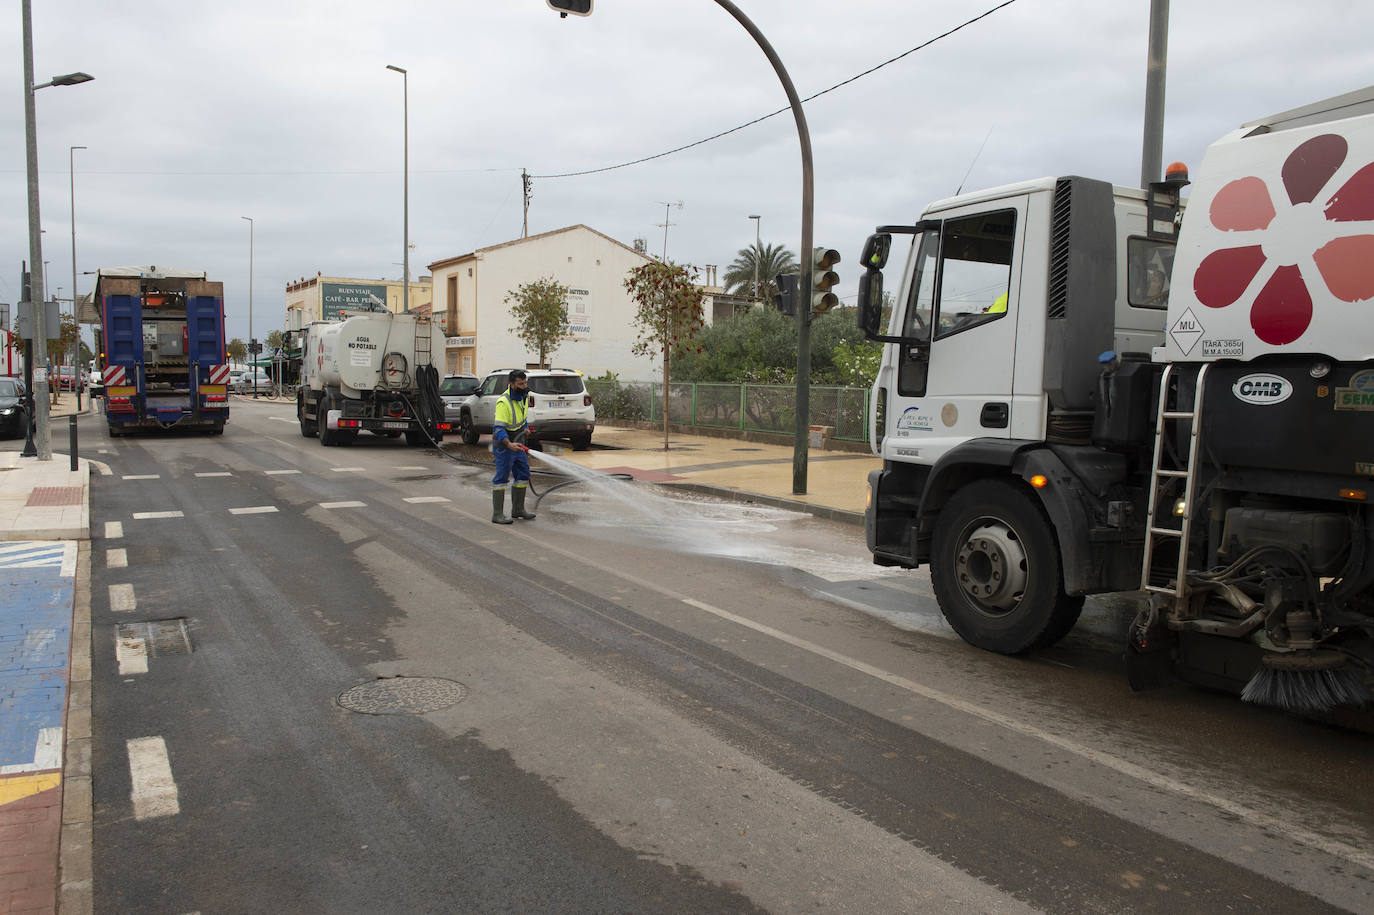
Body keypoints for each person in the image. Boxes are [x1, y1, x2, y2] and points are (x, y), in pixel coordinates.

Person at [491, 369, 537, 524]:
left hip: (518, 442)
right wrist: (509, 444)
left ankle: (518, 510)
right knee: (502, 478)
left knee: (523, 474)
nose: (524, 386)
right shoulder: (503, 402)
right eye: (520, 384)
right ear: (511, 384)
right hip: (505, 445)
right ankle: (497, 514)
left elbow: (522, 415)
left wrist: (526, 427)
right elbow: (498, 429)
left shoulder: (524, 396)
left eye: (525, 383)